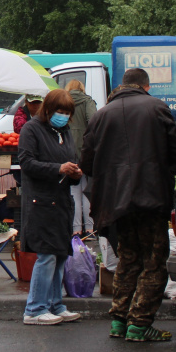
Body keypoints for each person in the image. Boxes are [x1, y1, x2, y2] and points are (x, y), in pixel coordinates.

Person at [81, 67, 176, 343]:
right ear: (146, 86)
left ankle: (118, 321)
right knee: (154, 263)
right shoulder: (156, 107)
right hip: (150, 198)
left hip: (114, 202)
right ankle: (140, 324)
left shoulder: (101, 115)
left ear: (122, 85)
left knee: (128, 260)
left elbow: (86, 162)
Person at [19, 88, 82, 326]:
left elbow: (71, 159)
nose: (64, 116)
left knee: (60, 254)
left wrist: (75, 171)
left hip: (63, 201)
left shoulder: (65, 131)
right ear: (48, 109)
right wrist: (58, 168)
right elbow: (26, 162)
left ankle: (56, 304)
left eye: (67, 112)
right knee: (46, 255)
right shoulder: (31, 129)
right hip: (42, 201)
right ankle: (35, 309)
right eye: (60, 111)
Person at [65, 79, 98, 236]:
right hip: (86, 149)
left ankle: (76, 229)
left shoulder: (63, 102)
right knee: (87, 189)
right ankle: (90, 228)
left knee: (74, 190)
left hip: (67, 148)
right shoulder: (87, 101)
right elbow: (94, 121)